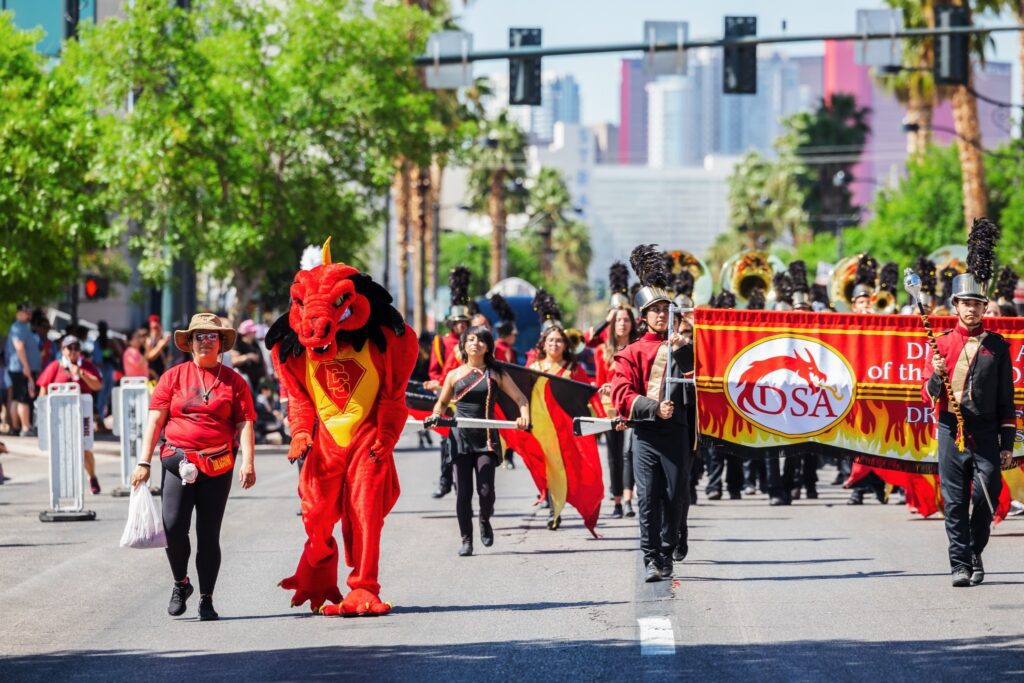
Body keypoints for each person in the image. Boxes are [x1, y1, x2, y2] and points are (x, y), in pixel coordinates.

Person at [130, 313, 256, 620]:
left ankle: (206, 598)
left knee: (208, 534)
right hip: (178, 460)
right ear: (189, 343)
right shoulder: (173, 377)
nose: (205, 342)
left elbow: (244, 423)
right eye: (199, 337)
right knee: (173, 528)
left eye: (211, 337)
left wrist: (248, 461)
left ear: (221, 344)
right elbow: (156, 420)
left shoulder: (234, 382)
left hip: (218, 463)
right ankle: (181, 583)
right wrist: (143, 462)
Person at [923, 249, 1015, 588]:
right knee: (954, 501)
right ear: (956, 305)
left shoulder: (998, 347)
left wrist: (1007, 443)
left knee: (986, 494)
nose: (971, 309)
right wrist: (936, 376)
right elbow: (928, 395)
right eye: (966, 303)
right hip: (950, 429)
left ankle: (975, 550)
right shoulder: (942, 344)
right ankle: (959, 565)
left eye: (977, 303)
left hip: (986, 431)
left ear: (984, 306)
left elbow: (1007, 400)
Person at [612, 244, 693, 583]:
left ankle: (670, 542)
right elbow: (621, 394)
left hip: (677, 432)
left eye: (665, 309)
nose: (661, 314)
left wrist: (684, 349)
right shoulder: (630, 352)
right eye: (655, 310)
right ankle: (652, 557)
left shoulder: (684, 348)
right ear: (643, 317)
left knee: (676, 496)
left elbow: (700, 381)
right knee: (647, 499)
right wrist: (652, 407)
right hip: (646, 431)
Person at [427, 326, 529, 556]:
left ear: (488, 346)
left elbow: (521, 398)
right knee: (463, 492)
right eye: (471, 339)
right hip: (460, 437)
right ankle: (466, 540)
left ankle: (485, 519)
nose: (475, 343)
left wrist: (525, 417)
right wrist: (436, 416)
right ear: (463, 345)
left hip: (486, 437)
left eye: (481, 340)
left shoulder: (496, 373)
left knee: (486, 491)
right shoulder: (453, 375)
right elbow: (442, 404)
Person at [423, 267, 473, 499]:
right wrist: (436, 383)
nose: (461, 326)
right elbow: (434, 370)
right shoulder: (440, 342)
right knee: (446, 441)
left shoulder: (475, 342)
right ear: (451, 323)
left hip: (470, 396)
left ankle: (467, 485)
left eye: (464, 322)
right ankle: (445, 481)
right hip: (446, 397)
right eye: (457, 322)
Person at [36, 335, 103, 493]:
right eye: (69, 348)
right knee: (61, 449)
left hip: (82, 415)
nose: (73, 351)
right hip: (60, 417)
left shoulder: (86, 366)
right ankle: (64, 483)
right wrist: (43, 411)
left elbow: (97, 385)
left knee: (85, 448)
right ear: (63, 350)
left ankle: (92, 476)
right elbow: (43, 389)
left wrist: (81, 374)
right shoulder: (55, 366)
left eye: (76, 348)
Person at [596, 306, 637, 518]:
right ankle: (617, 500)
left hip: (632, 408)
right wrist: (606, 387)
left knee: (628, 453)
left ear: (632, 323)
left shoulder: (638, 348)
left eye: (626, 320)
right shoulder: (602, 351)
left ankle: (629, 499)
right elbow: (601, 379)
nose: (622, 323)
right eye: (619, 320)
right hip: (609, 408)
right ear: (613, 324)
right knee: (614, 456)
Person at [6, 304, 41, 436]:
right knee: (23, 398)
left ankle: (15, 427)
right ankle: (25, 427)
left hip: (18, 368)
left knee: (17, 398)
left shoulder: (22, 327)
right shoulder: (18, 327)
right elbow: (19, 346)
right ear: (19, 313)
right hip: (21, 368)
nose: (29, 314)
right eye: (26, 312)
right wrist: (26, 366)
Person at [230, 319, 267, 393]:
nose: (255, 333)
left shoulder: (255, 344)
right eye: (253, 331)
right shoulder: (238, 345)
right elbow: (233, 361)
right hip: (246, 384)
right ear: (248, 333)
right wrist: (248, 356)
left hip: (258, 383)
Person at [145, 314, 171, 380]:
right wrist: (159, 345)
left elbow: (166, 360)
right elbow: (149, 357)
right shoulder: (149, 340)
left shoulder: (163, 340)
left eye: (156, 328)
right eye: (153, 328)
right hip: (152, 376)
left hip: (162, 375)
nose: (155, 330)